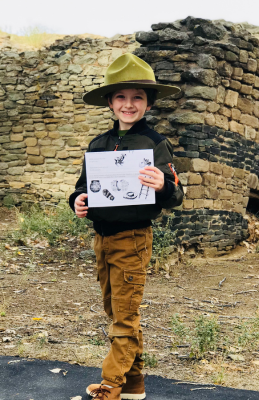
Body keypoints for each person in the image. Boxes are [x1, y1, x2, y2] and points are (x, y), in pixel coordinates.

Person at [68, 53, 184, 400]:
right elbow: (82, 186)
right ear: (109, 102)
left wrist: (162, 185)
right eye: (121, 96)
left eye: (137, 97)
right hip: (101, 241)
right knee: (119, 313)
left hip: (133, 240)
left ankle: (111, 386)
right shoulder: (98, 145)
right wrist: (77, 200)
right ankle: (134, 385)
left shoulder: (155, 144)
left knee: (124, 317)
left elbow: (175, 195)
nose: (128, 104)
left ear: (148, 103)